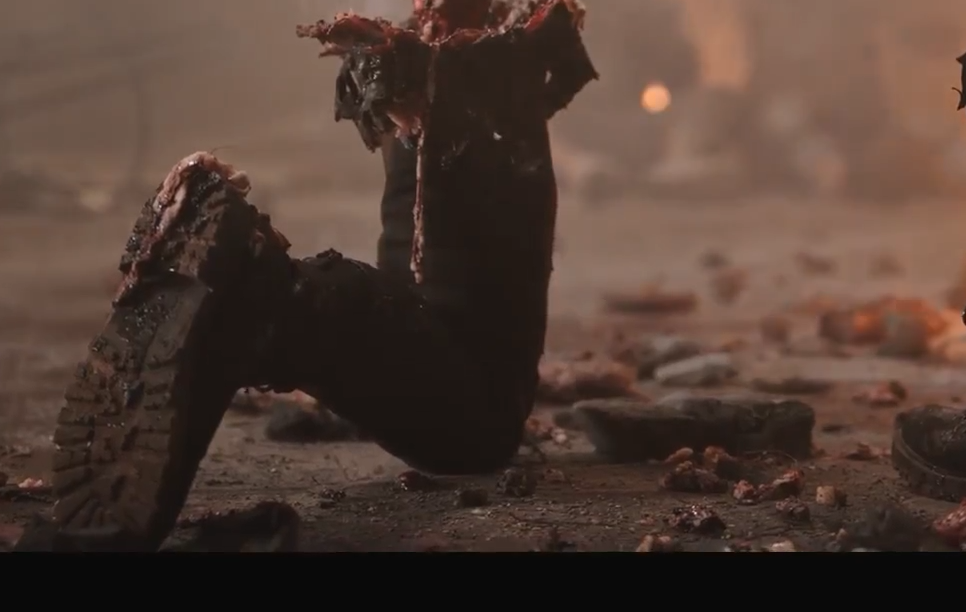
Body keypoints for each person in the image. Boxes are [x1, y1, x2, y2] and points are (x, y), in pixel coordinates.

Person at [30, 51, 577, 550]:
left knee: (466, 402)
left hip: (432, 333)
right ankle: (279, 305)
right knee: (479, 434)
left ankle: (274, 308)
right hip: (462, 385)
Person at [740, 0, 925, 201]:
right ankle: (824, 168)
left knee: (895, 148)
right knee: (777, 129)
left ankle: (850, 170)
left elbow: (870, 60)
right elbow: (762, 71)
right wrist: (776, 105)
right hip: (791, 119)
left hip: (849, 111)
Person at [546, 0, 702, 193]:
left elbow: (681, 77)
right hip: (562, 125)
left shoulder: (651, 4)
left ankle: (674, 168)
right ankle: (581, 169)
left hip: (628, 123)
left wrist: (646, 24)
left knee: (713, 103)